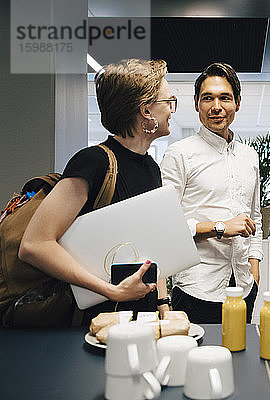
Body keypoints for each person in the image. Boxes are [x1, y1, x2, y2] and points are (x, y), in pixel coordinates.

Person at [18, 58, 176, 324]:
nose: (172, 110)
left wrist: (163, 304)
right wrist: (111, 291)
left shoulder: (150, 167)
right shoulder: (93, 162)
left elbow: (151, 246)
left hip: (143, 316)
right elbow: (34, 245)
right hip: (97, 319)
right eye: (168, 102)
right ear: (146, 110)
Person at [160, 62, 262, 324]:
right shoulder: (179, 154)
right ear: (196, 103)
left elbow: (255, 218)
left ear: (237, 103)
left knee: (240, 360)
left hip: (243, 287)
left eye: (225, 98)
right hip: (197, 289)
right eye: (208, 98)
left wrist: (254, 265)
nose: (216, 106)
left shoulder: (249, 156)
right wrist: (219, 227)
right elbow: (163, 226)